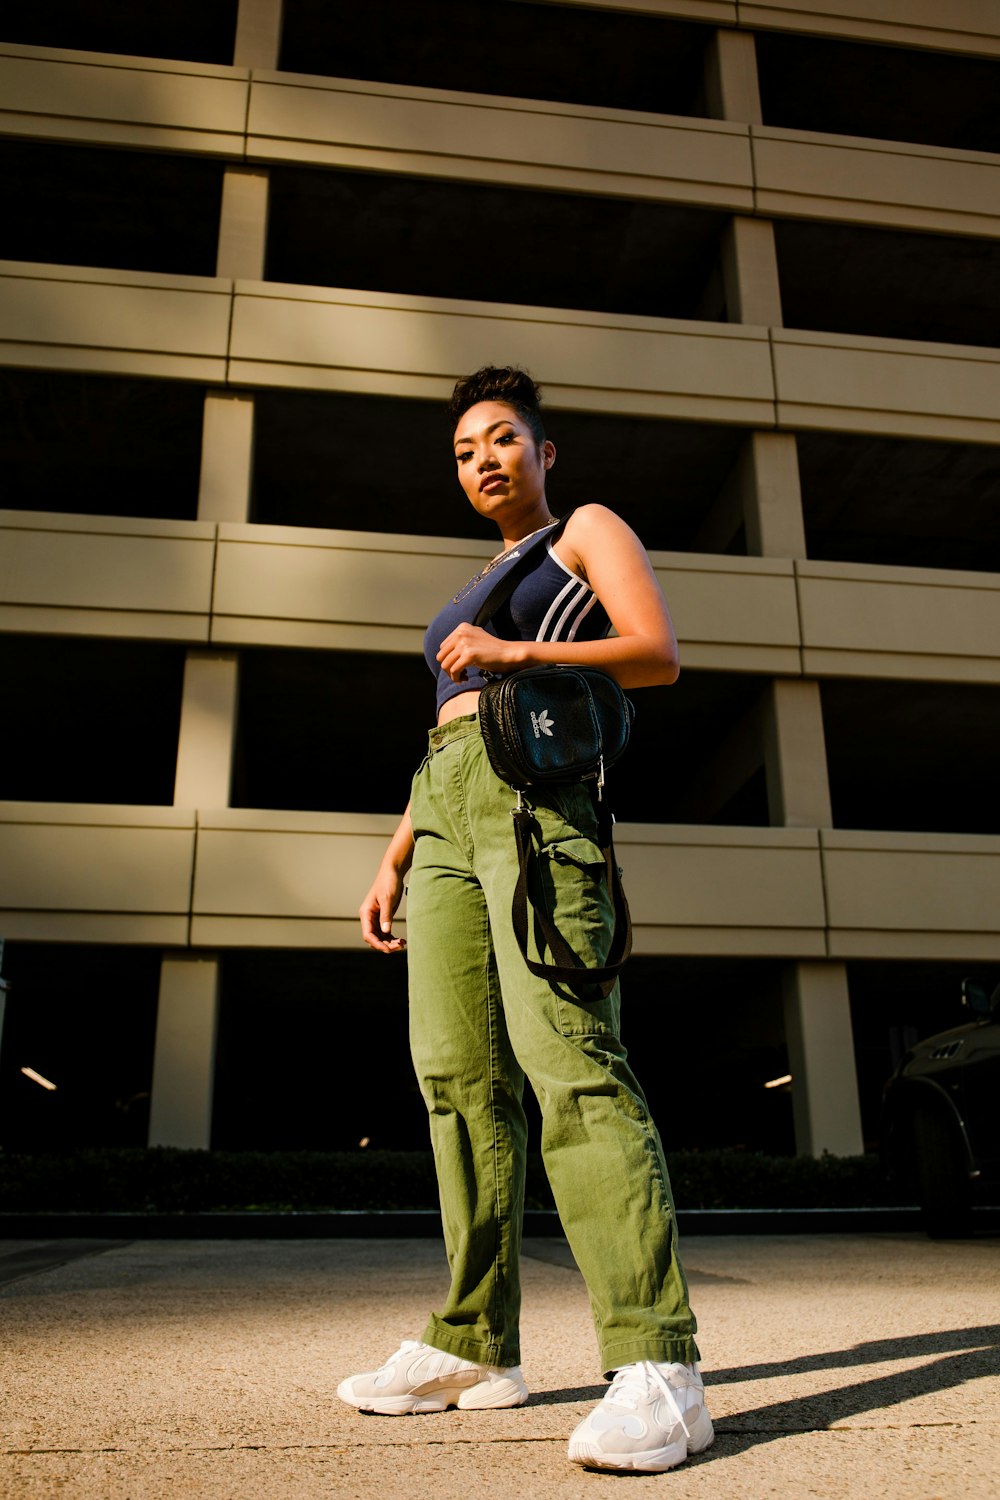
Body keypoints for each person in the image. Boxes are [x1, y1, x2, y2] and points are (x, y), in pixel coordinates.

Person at [338, 366, 713, 1474]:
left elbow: (655, 654)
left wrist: (515, 652)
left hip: (530, 800)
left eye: (503, 439)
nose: (483, 460)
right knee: (454, 1076)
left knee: (570, 1060)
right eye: (463, 450)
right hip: (446, 806)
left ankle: (659, 1366)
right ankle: (473, 1344)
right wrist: (397, 853)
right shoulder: (473, 583)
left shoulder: (582, 533)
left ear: (545, 454)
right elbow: (440, 725)